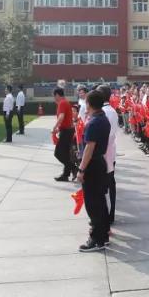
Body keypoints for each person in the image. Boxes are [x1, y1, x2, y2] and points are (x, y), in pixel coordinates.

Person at [77, 89, 111, 252]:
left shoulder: (94, 122)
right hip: (100, 163)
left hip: (92, 165)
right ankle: (103, 235)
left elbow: (89, 148)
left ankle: (97, 239)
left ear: (89, 104)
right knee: (100, 201)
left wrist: (81, 169)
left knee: (93, 203)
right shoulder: (103, 118)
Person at [97, 84, 119, 226]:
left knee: (106, 185)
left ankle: (108, 214)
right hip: (109, 151)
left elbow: (107, 135)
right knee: (109, 183)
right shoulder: (111, 111)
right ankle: (109, 214)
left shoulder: (104, 112)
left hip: (104, 152)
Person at [52, 88, 76, 182]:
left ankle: (74, 168)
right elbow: (66, 118)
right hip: (68, 130)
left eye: (54, 96)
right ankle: (66, 175)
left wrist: (54, 127)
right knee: (65, 153)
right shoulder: (65, 102)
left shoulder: (62, 103)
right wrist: (59, 127)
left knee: (58, 153)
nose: (54, 98)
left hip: (66, 131)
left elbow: (61, 117)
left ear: (57, 95)